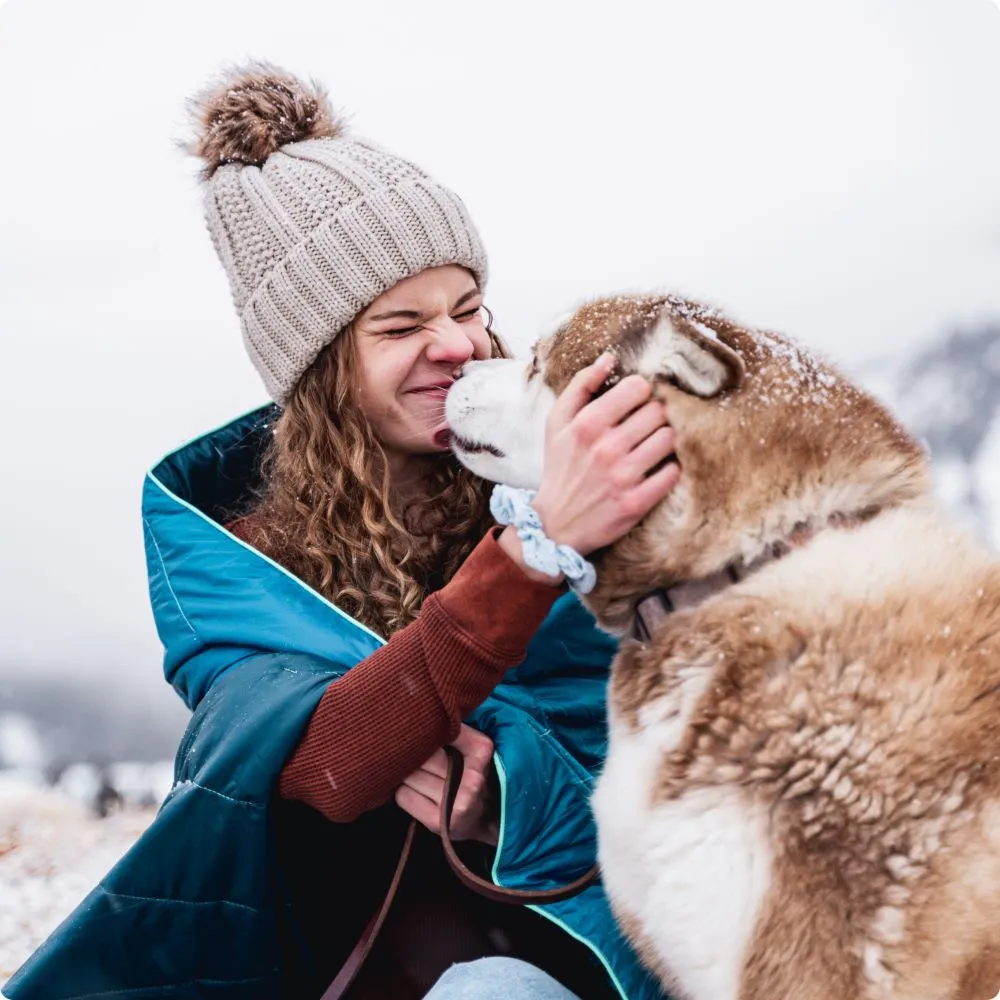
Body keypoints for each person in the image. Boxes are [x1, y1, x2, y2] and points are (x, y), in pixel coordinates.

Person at [3, 64, 678, 1000]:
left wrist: (507, 807)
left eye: (469, 308)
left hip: (608, 951)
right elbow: (322, 762)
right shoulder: (235, 558)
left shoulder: (566, 476)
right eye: (401, 325)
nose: (457, 346)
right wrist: (533, 552)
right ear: (321, 372)